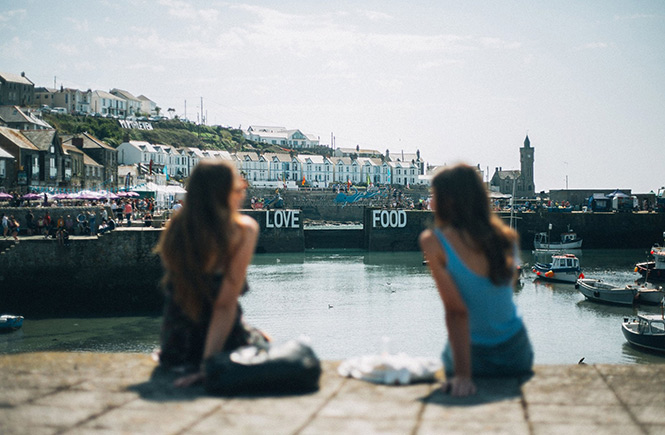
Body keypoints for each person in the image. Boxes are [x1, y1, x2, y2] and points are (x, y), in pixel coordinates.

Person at [419, 163, 533, 397]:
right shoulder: (507, 238)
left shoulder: (433, 242)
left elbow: (457, 312)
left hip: (473, 357)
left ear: (449, 199)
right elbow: (501, 296)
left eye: (434, 195)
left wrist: (463, 375)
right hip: (517, 353)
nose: (430, 202)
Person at [155, 160, 268, 387]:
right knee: (266, 341)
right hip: (222, 344)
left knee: (261, 335)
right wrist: (209, 366)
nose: (242, 191)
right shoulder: (242, 230)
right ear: (224, 193)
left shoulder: (176, 226)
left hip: (176, 346)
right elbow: (224, 304)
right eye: (238, 187)